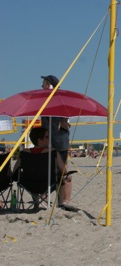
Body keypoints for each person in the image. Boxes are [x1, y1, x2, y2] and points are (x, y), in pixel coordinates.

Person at [12, 126, 75, 210]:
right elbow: (63, 170)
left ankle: (36, 203)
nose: (49, 139)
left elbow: (15, 170)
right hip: (48, 183)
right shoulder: (52, 152)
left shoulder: (24, 153)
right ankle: (60, 204)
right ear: (39, 140)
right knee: (62, 177)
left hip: (28, 184)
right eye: (47, 137)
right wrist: (66, 175)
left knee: (33, 175)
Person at [40, 75, 74, 209]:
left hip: (57, 141)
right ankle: (56, 200)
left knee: (61, 171)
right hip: (53, 140)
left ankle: (64, 200)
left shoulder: (56, 100)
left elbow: (65, 122)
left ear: (50, 85)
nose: (41, 86)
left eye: (44, 83)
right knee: (52, 171)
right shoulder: (48, 101)